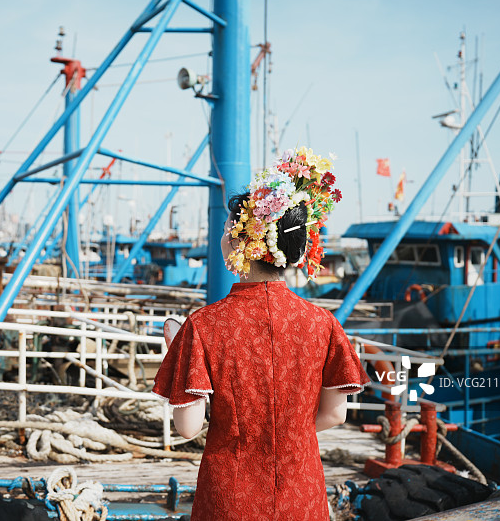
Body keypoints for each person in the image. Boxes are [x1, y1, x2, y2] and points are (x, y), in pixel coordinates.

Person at [152, 147, 371, 521]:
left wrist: (176, 351)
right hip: (301, 492)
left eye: (225, 232)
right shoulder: (323, 323)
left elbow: (187, 428)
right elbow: (335, 415)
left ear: (242, 242)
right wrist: (289, 433)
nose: (221, 239)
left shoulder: (203, 325)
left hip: (230, 497)